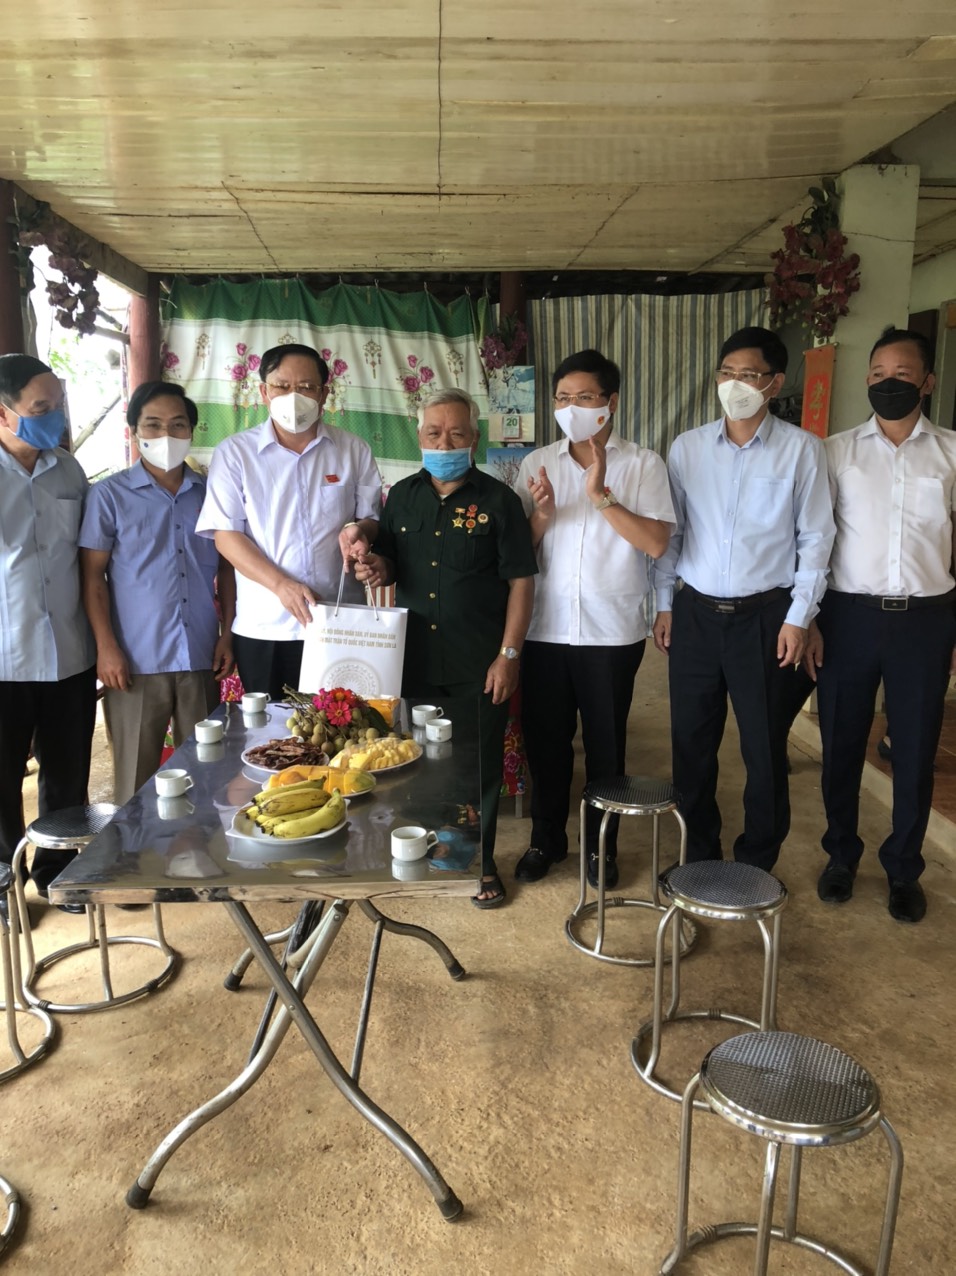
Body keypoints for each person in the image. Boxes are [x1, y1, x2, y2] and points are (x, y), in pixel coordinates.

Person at [344, 388, 537, 909]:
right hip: (413, 661)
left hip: (479, 661)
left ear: (474, 438)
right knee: (418, 762)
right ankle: (429, 852)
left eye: (456, 433)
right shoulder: (402, 497)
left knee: (478, 765)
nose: (444, 442)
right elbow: (391, 563)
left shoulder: (499, 502)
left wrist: (509, 656)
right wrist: (375, 566)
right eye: (434, 433)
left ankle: (480, 862)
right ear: (420, 437)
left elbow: (521, 582)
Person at [652, 326, 835, 872]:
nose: (734, 385)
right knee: (691, 744)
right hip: (696, 614)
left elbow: (816, 539)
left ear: (775, 383)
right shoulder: (687, 448)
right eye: (726, 373)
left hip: (767, 618)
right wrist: (664, 603)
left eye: (748, 375)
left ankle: (756, 862)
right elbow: (673, 534)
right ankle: (698, 853)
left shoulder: (802, 450)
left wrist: (799, 617)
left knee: (763, 746)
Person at [806, 327, 955, 924]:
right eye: (877, 375)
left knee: (914, 749)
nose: (888, 383)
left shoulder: (951, 453)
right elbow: (814, 541)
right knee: (841, 743)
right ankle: (841, 855)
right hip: (850, 618)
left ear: (927, 381)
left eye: (902, 374)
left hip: (926, 620)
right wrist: (811, 618)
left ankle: (904, 868)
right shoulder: (835, 452)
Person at [512, 349, 675, 888]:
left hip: (611, 631)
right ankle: (546, 839)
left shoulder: (644, 464)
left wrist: (601, 497)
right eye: (563, 398)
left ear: (611, 402)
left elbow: (656, 542)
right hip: (545, 628)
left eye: (584, 398)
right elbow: (517, 553)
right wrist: (541, 516)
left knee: (607, 746)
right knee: (546, 743)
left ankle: (601, 848)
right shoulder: (537, 463)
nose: (572, 408)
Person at [78, 382, 237, 804]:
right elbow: (92, 577)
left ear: (191, 431)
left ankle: (201, 846)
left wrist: (227, 634)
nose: (166, 435)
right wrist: (105, 648)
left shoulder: (210, 494)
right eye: (153, 424)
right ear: (134, 431)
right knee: (135, 780)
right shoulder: (108, 496)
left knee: (205, 777)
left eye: (177, 424)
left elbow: (227, 567)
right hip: (134, 661)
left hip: (200, 655)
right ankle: (132, 848)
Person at [197, 344, 381, 700]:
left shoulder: (353, 450)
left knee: (344, 726)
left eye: (307, 387)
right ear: (264, 392)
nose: (293, 396)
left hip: (339, 622)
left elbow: (370, 518)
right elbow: (226, 535)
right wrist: (280, 585)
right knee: (272, 730)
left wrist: (360, 531)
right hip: (265, 627)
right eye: (281, 386)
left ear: (324, 394)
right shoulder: (235, 454)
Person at [0, 353, 97, 917]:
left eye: (57, 405)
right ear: (4, 413)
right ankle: (3, 882)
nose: (54, 417)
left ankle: (57, 874)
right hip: (4, 657)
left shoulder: (68, 471)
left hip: (68, 651)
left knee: (67, 771)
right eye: (41, 408)